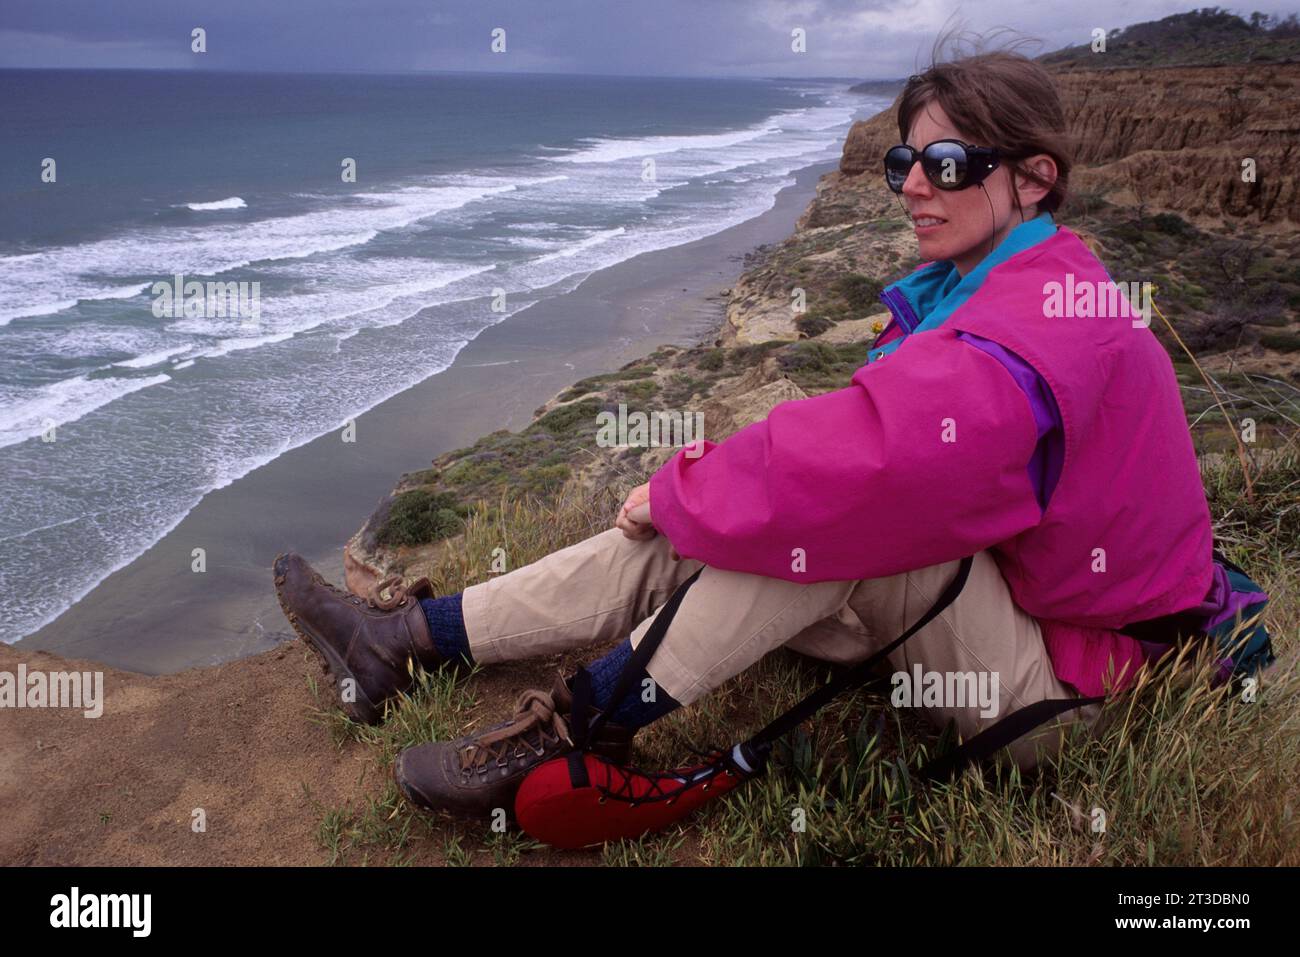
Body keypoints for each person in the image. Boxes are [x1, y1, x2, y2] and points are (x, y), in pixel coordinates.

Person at [273, 49, 1221, 820]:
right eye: (904, 165)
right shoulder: (998, 280)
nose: (915, 189)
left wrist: (691, 487)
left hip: (1067, 689)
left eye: (948, 165)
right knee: (735, 519)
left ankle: (579, 728)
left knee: (834, 527)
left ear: (1033, 178)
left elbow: (874, 466)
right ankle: (404, 638)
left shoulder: (1045, 319)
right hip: (1002, 612)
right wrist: (695, 500)